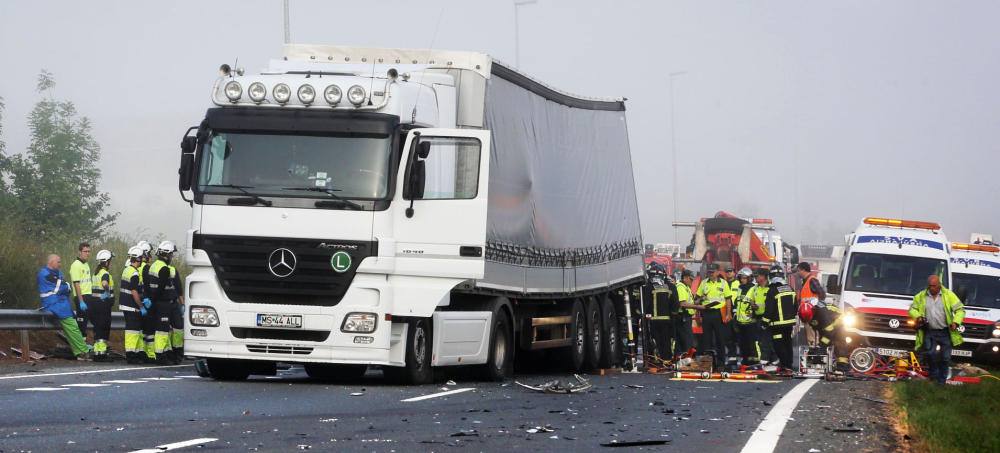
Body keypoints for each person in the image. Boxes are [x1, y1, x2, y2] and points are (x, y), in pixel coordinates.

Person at [909, 275, 965, 385]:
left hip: (945, 331)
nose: (932, 288)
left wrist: (956, 322)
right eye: (930, 286)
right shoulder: (921, 296)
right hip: (929, 331)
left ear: (939, 285)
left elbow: (960, 310)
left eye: (934, 286)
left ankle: (941, 382)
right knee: (930, 353)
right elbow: (912, 309)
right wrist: (918, 316)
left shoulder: (949, 295)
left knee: (945, 358)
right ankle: (933, 374)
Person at [38, 255, 90, 360]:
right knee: (72, 326)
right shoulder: (43, 273)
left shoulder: (58, 273)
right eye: (58, 262)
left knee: (72, 327)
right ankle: (83, 351)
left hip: (61, 304)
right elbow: (62, 287)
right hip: (53, 304)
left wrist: (65, 286)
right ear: (51, 262)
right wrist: (65, 286)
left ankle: (80, 352)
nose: (60, 264)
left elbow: (66, 287)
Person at [148, 240, 181, 364]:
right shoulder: (164, 269)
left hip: (161, 303)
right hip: (164, 303)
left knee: (163, 330)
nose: (172, 257)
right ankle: (161, 356)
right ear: (166, 254)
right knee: (162, 331)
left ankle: (166, 354)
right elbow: (160, 289)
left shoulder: (154, 265)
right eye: (171, 254)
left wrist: (151, 302)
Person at [695, 263, 733, 368]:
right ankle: (708, 364)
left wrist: (728, 314)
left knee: (720, 339)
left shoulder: (723, 283)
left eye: (712, 272)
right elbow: (696, 301)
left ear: (717, 272)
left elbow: (728, 299)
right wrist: (701, 299)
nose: (711, 274)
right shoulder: (703, 283)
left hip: (719, 313)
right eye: (709, 272)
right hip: (706, 313)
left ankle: (721, 363)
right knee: (706, 339)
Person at [797, 300, 850, 372]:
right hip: (826, 325)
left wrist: (821, 347)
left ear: (813, 311)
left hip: (837, 320)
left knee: (838, 340)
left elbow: (829, 333)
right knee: (823, 343)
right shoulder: (808, 311)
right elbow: (819, 329)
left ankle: (842, 365)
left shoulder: (823, 314)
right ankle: (822, 359)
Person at [762, 265, 797, 370]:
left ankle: (784, 365)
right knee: (787, 343)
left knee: (778, 344)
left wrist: (764, 323)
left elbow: (769, 309)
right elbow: (795, 306)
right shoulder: (790, 288)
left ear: (771, 276)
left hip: (777, 324)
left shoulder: (772, 290)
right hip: (789, 323)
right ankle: (789, 364)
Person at [642, 263, 677, 361]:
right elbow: (675, 304)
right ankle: (667, 360)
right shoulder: (671, 286)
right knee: (666, 341)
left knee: (654, 340)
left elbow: (646, 303)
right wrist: (673, 315)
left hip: (653, 320)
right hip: (667, 320)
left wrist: (646, 315)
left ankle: (655, 360)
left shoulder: (648, 287)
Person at [120, 247, 147, 364]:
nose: (142, 260)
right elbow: (134, 291)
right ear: (138, 259)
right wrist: (141, 306)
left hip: (126, 305)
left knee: (136, 330)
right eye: (141, 258)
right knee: (133, 331)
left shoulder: (127, 270)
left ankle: (137, 353)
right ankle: (131, 355)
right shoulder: (135, 273)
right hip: (131, 306)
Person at [733, 267, 763, 364]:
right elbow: (737, 302)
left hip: (751, 321)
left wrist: (754, 312)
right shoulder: (740, 288)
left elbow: (758, 303)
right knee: (742, 343)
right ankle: (745, 360)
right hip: (740, 321)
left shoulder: (754, 288)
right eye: (741, 278)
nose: (742, 280)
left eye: (744, 278)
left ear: (750, 278)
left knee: (753, 343)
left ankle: (757, 361)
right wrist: (735, 316)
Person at [89, 250, 115, 362]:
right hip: (103, 305)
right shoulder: (105, 273)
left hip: (94, 304)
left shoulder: (96, 273)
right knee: (104, 329)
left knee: (97, 329)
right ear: (107, 262)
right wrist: (107, 292)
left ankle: (97, 352)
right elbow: (104, 283)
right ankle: (102, 354)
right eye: (110, 261)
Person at [747, 269, 777, 364]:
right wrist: (752, 305)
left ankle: (766, 359)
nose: (755, 278)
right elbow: (750, 299)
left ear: (764, 276)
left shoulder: (771, 288)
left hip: (768, 318)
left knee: (766, 340)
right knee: (760, 340)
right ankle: (773, 359)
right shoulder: (755, 288)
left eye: (757, 276)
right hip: (758, 317)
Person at [136, 240, 157, 362]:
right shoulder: (147, 268)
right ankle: (150, 354)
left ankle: (141, 352)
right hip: (146, 300)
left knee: (141, 329)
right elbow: (149, 286)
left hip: (136, 300)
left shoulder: (130, 265)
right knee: (149, 330)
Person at [796, 262, 826, 347]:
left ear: (803, 270)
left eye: (799, 270)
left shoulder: (812, 280)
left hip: (812, 313)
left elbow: (822, 294)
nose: (798, 273)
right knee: (810, 337)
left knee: (813, 337)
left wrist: (813, 305)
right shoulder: (805, 281)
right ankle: (812, 352)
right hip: (806, 314)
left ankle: (815, 353)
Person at [69, 242, 94, 339]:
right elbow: (76, 284)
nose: (87, 253)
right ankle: (80, 346)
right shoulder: (76, 265)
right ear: (80, 252)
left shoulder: (86, 264)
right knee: (82, 323)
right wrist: (81, 301)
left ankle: (83, 344)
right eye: (85, 251)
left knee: (85, 322)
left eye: (89, 251)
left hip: (88, 296)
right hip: (82, 297)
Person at [674, 270, 697, 356]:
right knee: (686, 340)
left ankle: (685, 358)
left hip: (686, 317)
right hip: (682, 317)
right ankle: (685, 359)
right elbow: (682, 304)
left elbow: (690, 302)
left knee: (687, 339)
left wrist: (699, 300)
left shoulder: (686, 287)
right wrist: (699, 307)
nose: (692, 281)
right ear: (686, 278)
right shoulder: (681, 287)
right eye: (691, 279)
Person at [168, 259, 185, 360]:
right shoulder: (171, 270)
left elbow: (179, 289)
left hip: (173, 303)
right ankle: (173, 352)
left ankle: (176, 351)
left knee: (177, 328)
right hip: (167, 303)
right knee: (168, 329)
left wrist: (182, 304)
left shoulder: (173, 270)